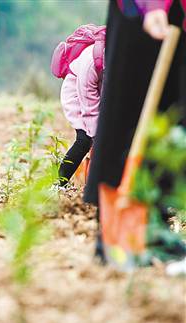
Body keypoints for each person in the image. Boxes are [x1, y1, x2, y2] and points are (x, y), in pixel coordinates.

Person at [84, 0, 185, 260]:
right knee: (128, 107)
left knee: (172, 115)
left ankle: (154, 226)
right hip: (139, 13)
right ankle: (114, 234)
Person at [58, 42, 105, 186]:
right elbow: (89, 109)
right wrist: (97, 137)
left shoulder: (120, 60)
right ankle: (59, 184)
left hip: (98, 89)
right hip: (77, 93)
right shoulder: (91, 63)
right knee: (84, 139)